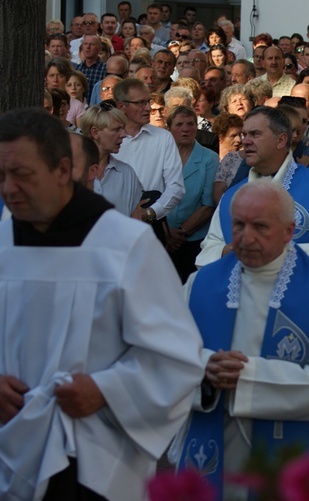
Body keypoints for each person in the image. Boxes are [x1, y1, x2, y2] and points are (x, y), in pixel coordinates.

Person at [0, 107, 204, 501]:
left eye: (22, 175)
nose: (8, 189)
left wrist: (108, 391)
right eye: (0, 176)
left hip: (93, 454)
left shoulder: (125, 244)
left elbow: (177, 357)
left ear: (63, 170)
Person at [174, 179, 309, 497]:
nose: (246, 238)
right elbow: (165, 354)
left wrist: (248, 378)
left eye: (260, 226)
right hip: (217, 448)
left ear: (289, 231)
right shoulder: (200, 283)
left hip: (294, 456)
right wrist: (205, 369)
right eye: (238, 225)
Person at [196, 106, 309, 266]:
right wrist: (228, 251)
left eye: (255, 134)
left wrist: (272, 252)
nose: (246, 141)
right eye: (245, 135)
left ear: (280, 140)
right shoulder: (231, 196)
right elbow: (208, 250)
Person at [113, 78, 185, 225]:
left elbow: (176, 186)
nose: (148, 108)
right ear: (121, 106)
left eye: (148, 102)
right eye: (141, 103)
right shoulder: (107, 139)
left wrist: (150, 212)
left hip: (152, 223)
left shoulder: (163, 138)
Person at [164, 106, 219, 282]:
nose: (185, 129)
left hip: (194, 240)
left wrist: (180, 233)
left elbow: (209, 204)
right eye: (179, 124)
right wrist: (166, 232)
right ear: (169, 128)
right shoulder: (161, 154)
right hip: (161, 236)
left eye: (190, 124)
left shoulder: (209, 158)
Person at [79, 102, 144, 217]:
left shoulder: (127, 174)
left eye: (122, 129)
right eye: (116, 130)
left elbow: (135, 222)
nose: (123, 134)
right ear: (95, 132)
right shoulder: (73, 171)